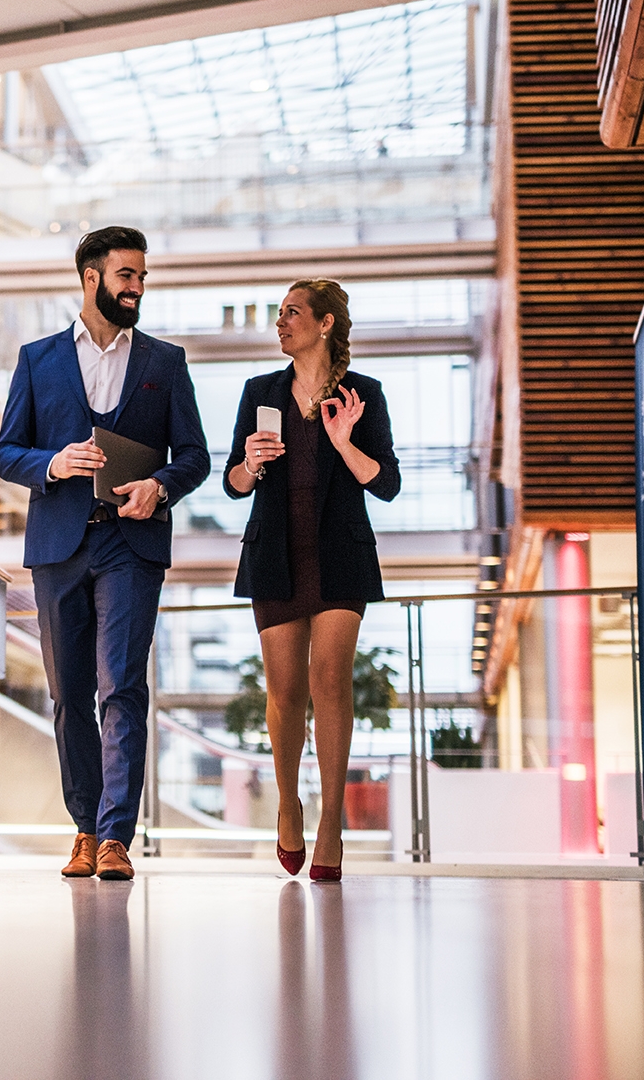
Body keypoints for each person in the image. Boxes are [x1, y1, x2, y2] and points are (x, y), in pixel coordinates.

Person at [0, 226, 211, 882]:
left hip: (130, 544)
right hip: (59, 545)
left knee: (123, 687)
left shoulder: (164, 363)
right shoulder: (38, 359)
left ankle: (116, 836)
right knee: (70, 695)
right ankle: (83, 829)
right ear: (92, 278)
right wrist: (52, 462)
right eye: (127, 276)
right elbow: (6, 451)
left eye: (142, 277)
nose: (137, 287)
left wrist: (160, 485)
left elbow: (195, 455)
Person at [224, 279, 400, 882]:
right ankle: (288, 803)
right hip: (275, 552)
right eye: (278, 314)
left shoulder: (362, 395)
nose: (280, 323)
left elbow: (386, 483)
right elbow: (234, 484)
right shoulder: (259, 392)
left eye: (292, 313)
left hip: (339, 556)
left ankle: (331, 819)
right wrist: (250, 462)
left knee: (330, 678)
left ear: (325, 324)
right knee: (284, 692)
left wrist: (343, 441)